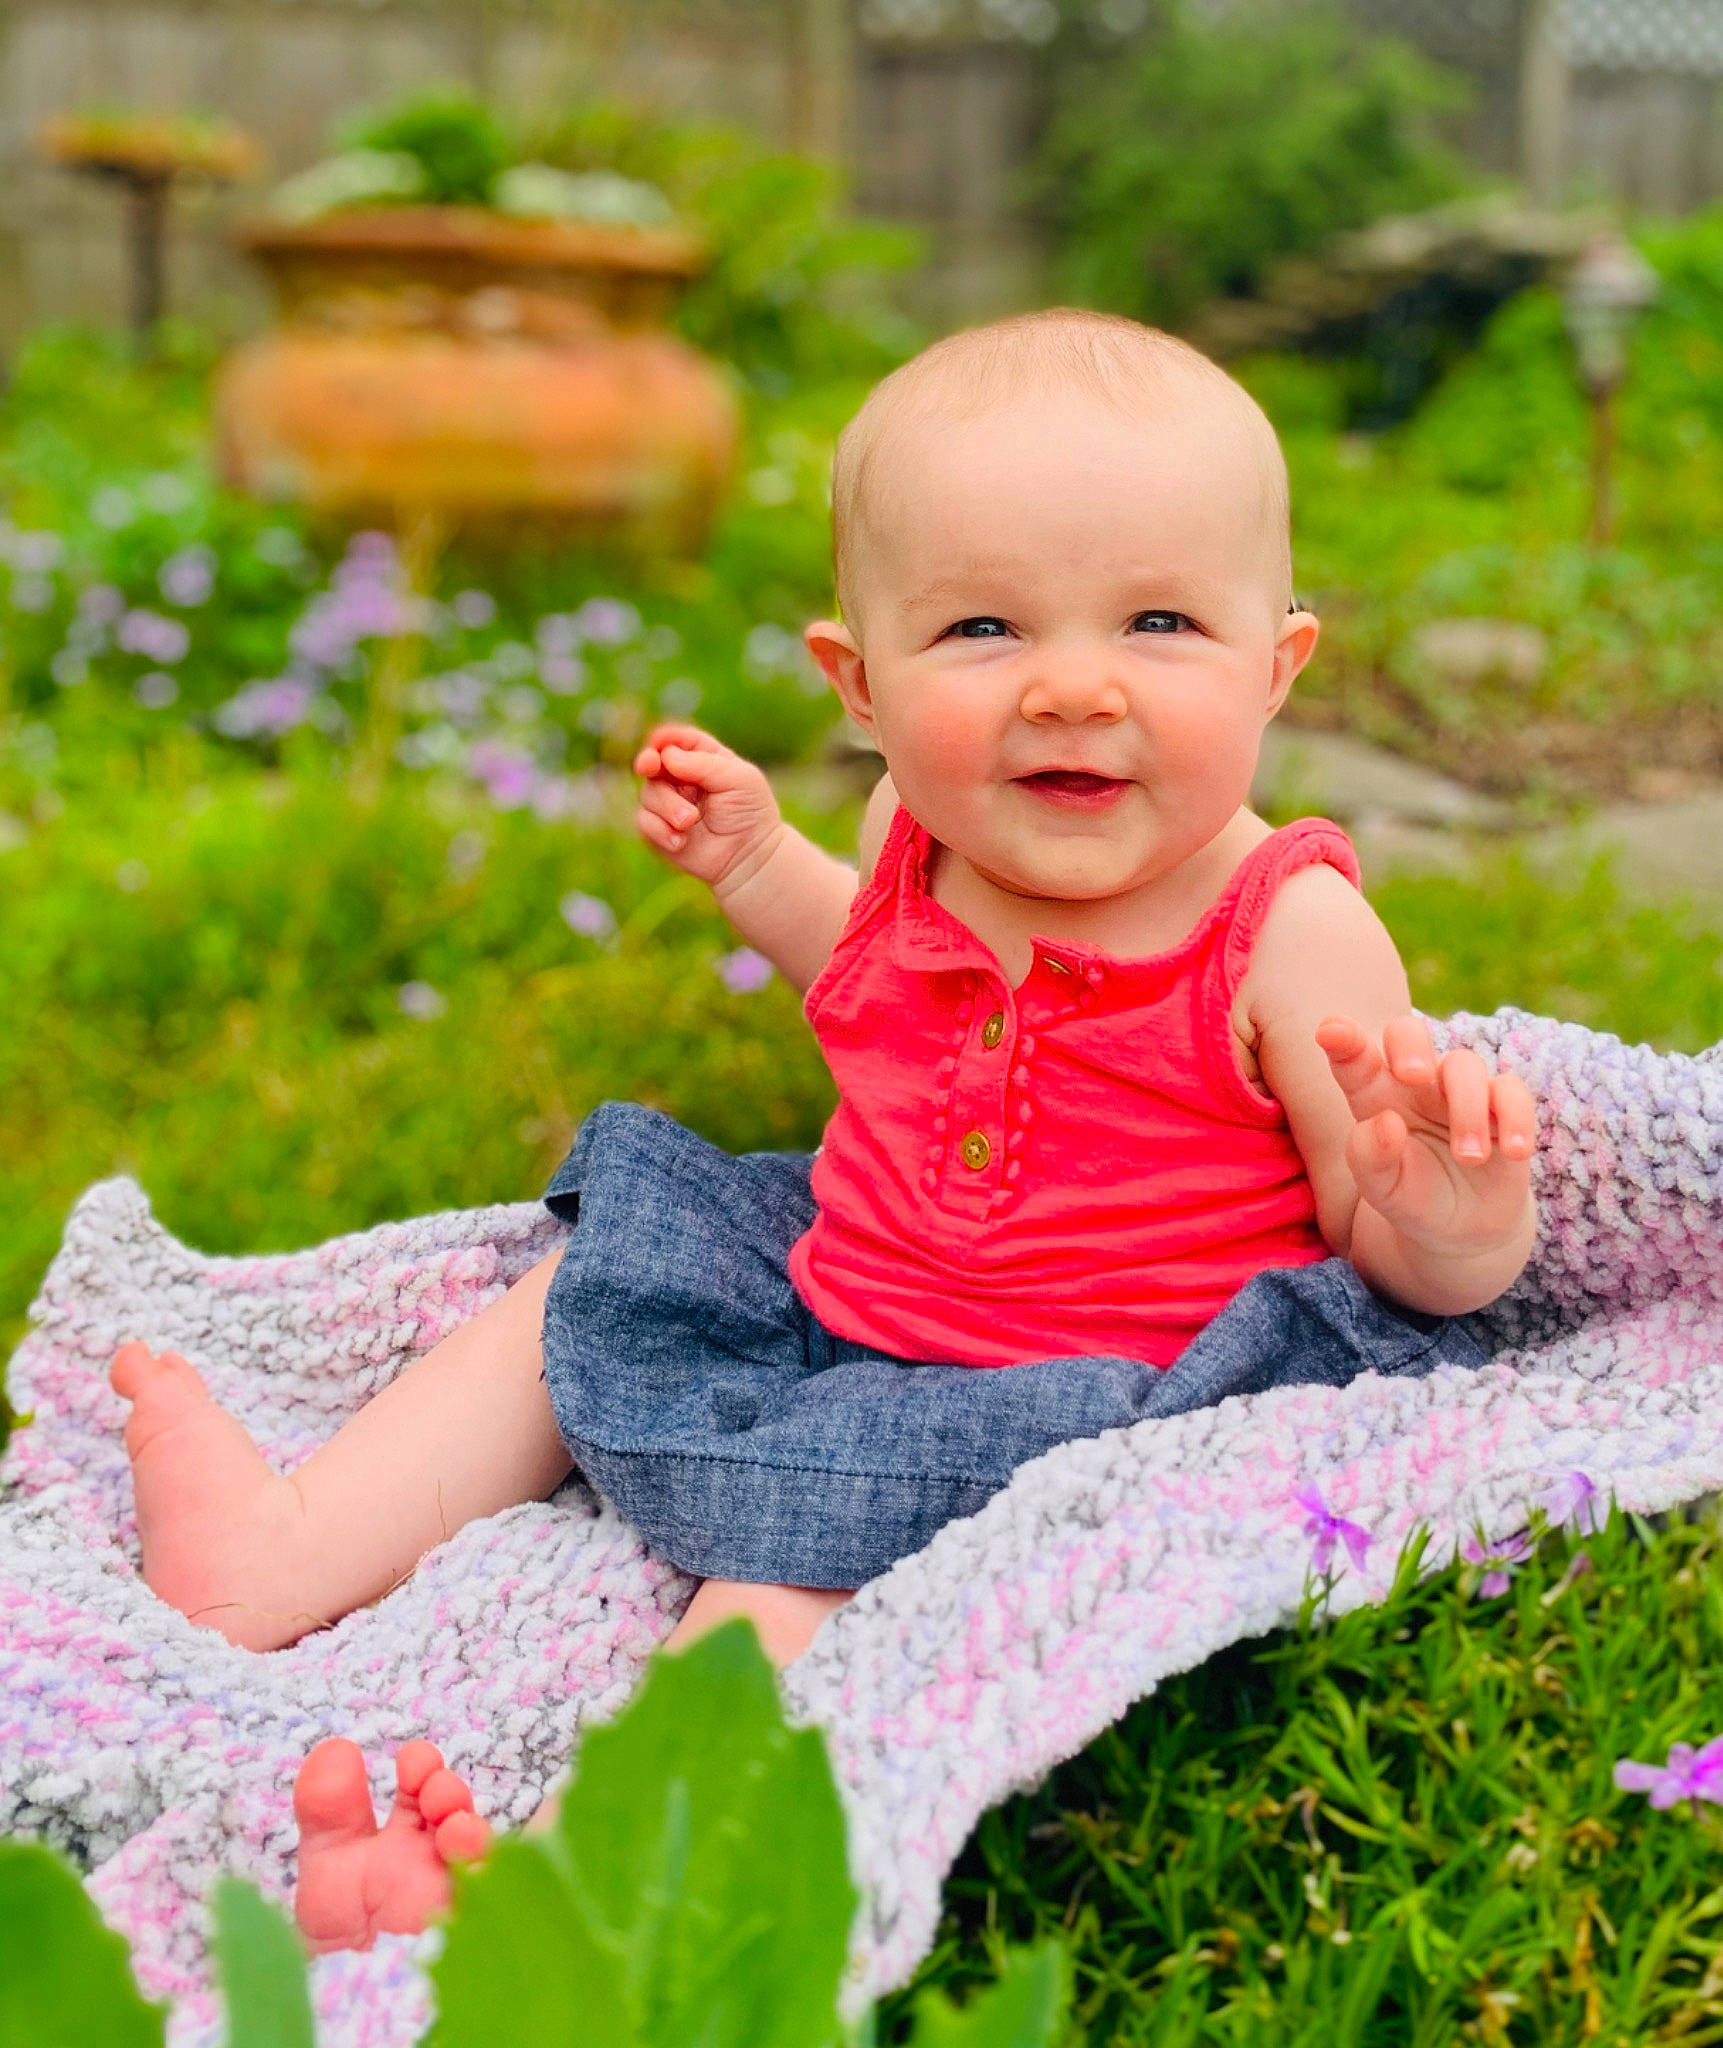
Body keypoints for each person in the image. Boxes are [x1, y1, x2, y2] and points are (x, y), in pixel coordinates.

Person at [108, 309, 1538, 1952]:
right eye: (986, 629)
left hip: (1088, 1396)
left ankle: (577, 1888)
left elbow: (1397, 1267)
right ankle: (281, 1553)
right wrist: (757, 871)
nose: (1073, 687)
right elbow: (876, 978)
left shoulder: (1288, 933)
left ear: (1274, 665)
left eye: (1158, 621)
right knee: (584, 1294)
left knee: (770, 1599)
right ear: (860, 686)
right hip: (848, 1283)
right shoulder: (910, 831)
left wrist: (1449, 1204)